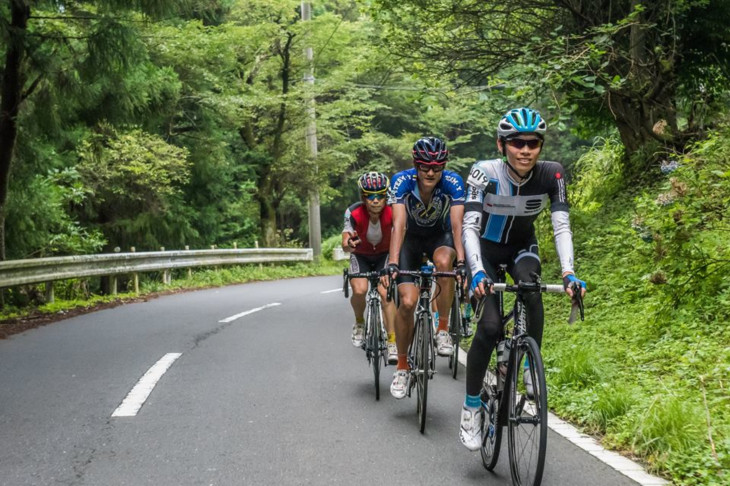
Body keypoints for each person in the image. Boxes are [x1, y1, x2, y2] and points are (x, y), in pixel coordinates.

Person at [458, 108, 587, 450]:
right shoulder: (483, 173)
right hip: (484, 251)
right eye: (517, 143)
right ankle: (471, 407)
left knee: (531, 288)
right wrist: (477, 272)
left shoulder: (552, 175)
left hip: (521, 248)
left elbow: (561, 226)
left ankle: (530, 365)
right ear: (502, 145)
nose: (525, 150)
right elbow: (468, 227)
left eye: (533, 143)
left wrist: (569, 272)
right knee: (487, 329)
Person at [383, 137, 466, 399]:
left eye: (437, 167)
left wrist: (462, 263)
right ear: (415, 164)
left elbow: (457, 227)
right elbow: (399, 225)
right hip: (409, 241)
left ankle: (442, 330)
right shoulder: (401, 181)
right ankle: (403, 367)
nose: (430, 172)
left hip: (439, 238)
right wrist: (394, 262)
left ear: (444, 166)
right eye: (424, 167)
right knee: (407, 302)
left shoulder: (453, 182)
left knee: (444, 263)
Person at [342, 171, 398, 365]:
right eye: (370, 196)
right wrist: (350, 244)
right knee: (359, 290)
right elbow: (345, 243)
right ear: (363, 197)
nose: (375, 201)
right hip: (361, 255)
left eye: (380, 195)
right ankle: (359, 322)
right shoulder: (354, 212)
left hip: (385, 255)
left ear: (386, 196)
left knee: (385, 293)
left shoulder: (393, 211)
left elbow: (400, 238)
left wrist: (392, 264)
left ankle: (392, 342)